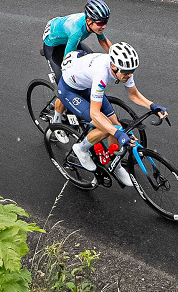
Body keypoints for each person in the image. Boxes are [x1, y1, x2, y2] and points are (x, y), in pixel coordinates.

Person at [57, 43, 164, 187]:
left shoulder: (123, 69)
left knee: (116, 125)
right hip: (70, 91)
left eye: (131, 72)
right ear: (113, 67)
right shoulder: (101, 73)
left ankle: (116, 165)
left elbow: (133, 94)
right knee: (106, 128)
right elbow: (95, 113)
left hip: (86, 85)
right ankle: (81, 148)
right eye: (126, 73)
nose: (129, 76)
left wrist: (152, 106)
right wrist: (117, 134)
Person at [41, 0, 113, 118]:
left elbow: (103, 41)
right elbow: (67, 61)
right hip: (53, 46)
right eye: (101, 23)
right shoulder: (76, 31)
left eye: (106, 22)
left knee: (91, 59)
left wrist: (116, 59)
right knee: (65, 84)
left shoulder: (94, 23)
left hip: (68, 39)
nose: (104, 26)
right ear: (89, 21)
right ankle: (56, 120)